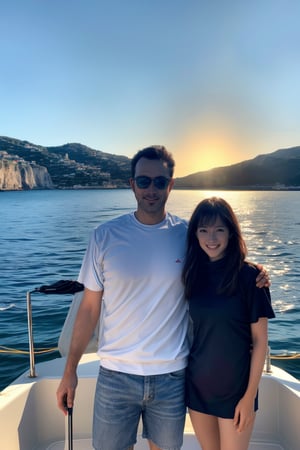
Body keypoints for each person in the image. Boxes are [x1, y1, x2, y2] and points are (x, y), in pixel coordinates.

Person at [56, 146, 269, 450]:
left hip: (171, 377)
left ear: (171, 184)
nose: (151, 189)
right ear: (132, 185)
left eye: (159, 182)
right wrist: (69, 372)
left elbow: (223, 256)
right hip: (116, 375)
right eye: (143, 181)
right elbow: (89, 309)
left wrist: (258, 270)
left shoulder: (188, 235)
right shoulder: (104, 236)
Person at [182, 197, 275, 450]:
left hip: (236, 390)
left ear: (231, 233)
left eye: (219, 229)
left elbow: (260, 341)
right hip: (198, 385)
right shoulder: (192, 274)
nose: (211, 238)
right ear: (195, 234)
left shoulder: (251, 277)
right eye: (203, 230)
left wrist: (248, 398)